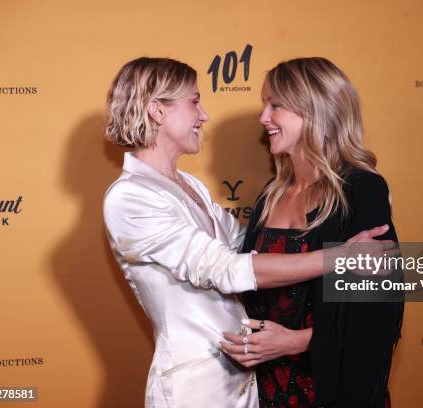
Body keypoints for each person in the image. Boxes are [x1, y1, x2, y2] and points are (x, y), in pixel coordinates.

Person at [102, 57, 394, 408]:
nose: (204, 114)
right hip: (202, 389)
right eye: (194, 101)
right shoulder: (130, 196)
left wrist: (302, 340)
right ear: (157, 111)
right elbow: (228, 268)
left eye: (275, 105)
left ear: (313, 110)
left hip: (271, 384)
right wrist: (339, 258)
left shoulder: (190, 184)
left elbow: (379, 304)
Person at [220, 57, 404, 408]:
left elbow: (375, 315)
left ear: (315, 111)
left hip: (332, 390)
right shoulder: (270, 195)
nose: (263, 118)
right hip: (267, 389)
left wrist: (295, 342)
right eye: (264, 105)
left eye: (275, 105)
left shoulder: (361, 190)